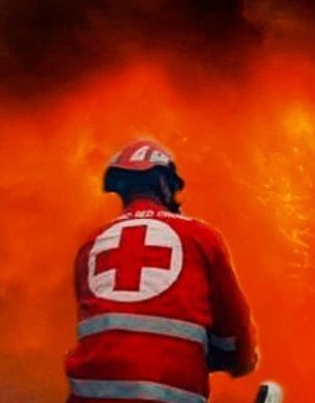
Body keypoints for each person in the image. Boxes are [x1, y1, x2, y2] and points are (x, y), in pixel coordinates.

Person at [65, 137, 259, 403]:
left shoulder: (91, 245)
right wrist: (240, 360)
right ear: (163, 184)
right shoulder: (200, 237)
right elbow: (234, 331)